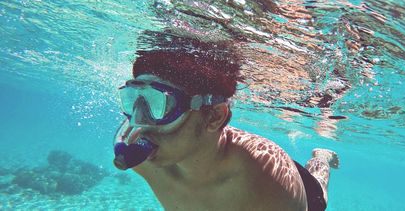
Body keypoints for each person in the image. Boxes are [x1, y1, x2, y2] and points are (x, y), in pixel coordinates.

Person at [113, 38, 339, 211]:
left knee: (319, 191)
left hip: (302, 194)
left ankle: (321, 157)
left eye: (159, 105)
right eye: (134, 101)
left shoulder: (269, 185)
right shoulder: (143, 159)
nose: (138, 123)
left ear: (214, 117)